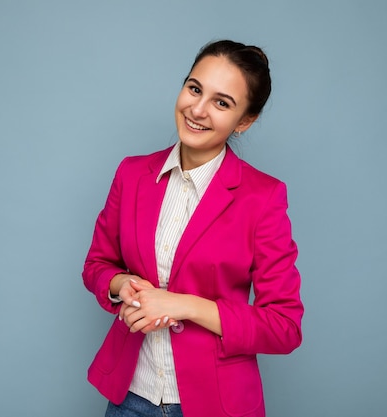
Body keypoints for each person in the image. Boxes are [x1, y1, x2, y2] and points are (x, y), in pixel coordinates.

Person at [82, 39, 303, 417]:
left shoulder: (263, 197)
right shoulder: (132, 174)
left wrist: (182, 305)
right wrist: (125, 287)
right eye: (194, 88)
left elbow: (283, 326)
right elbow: (97, 266)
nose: (197, 109)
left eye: (222, 102)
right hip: (130, 397)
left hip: (215, 403)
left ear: (245, 120)